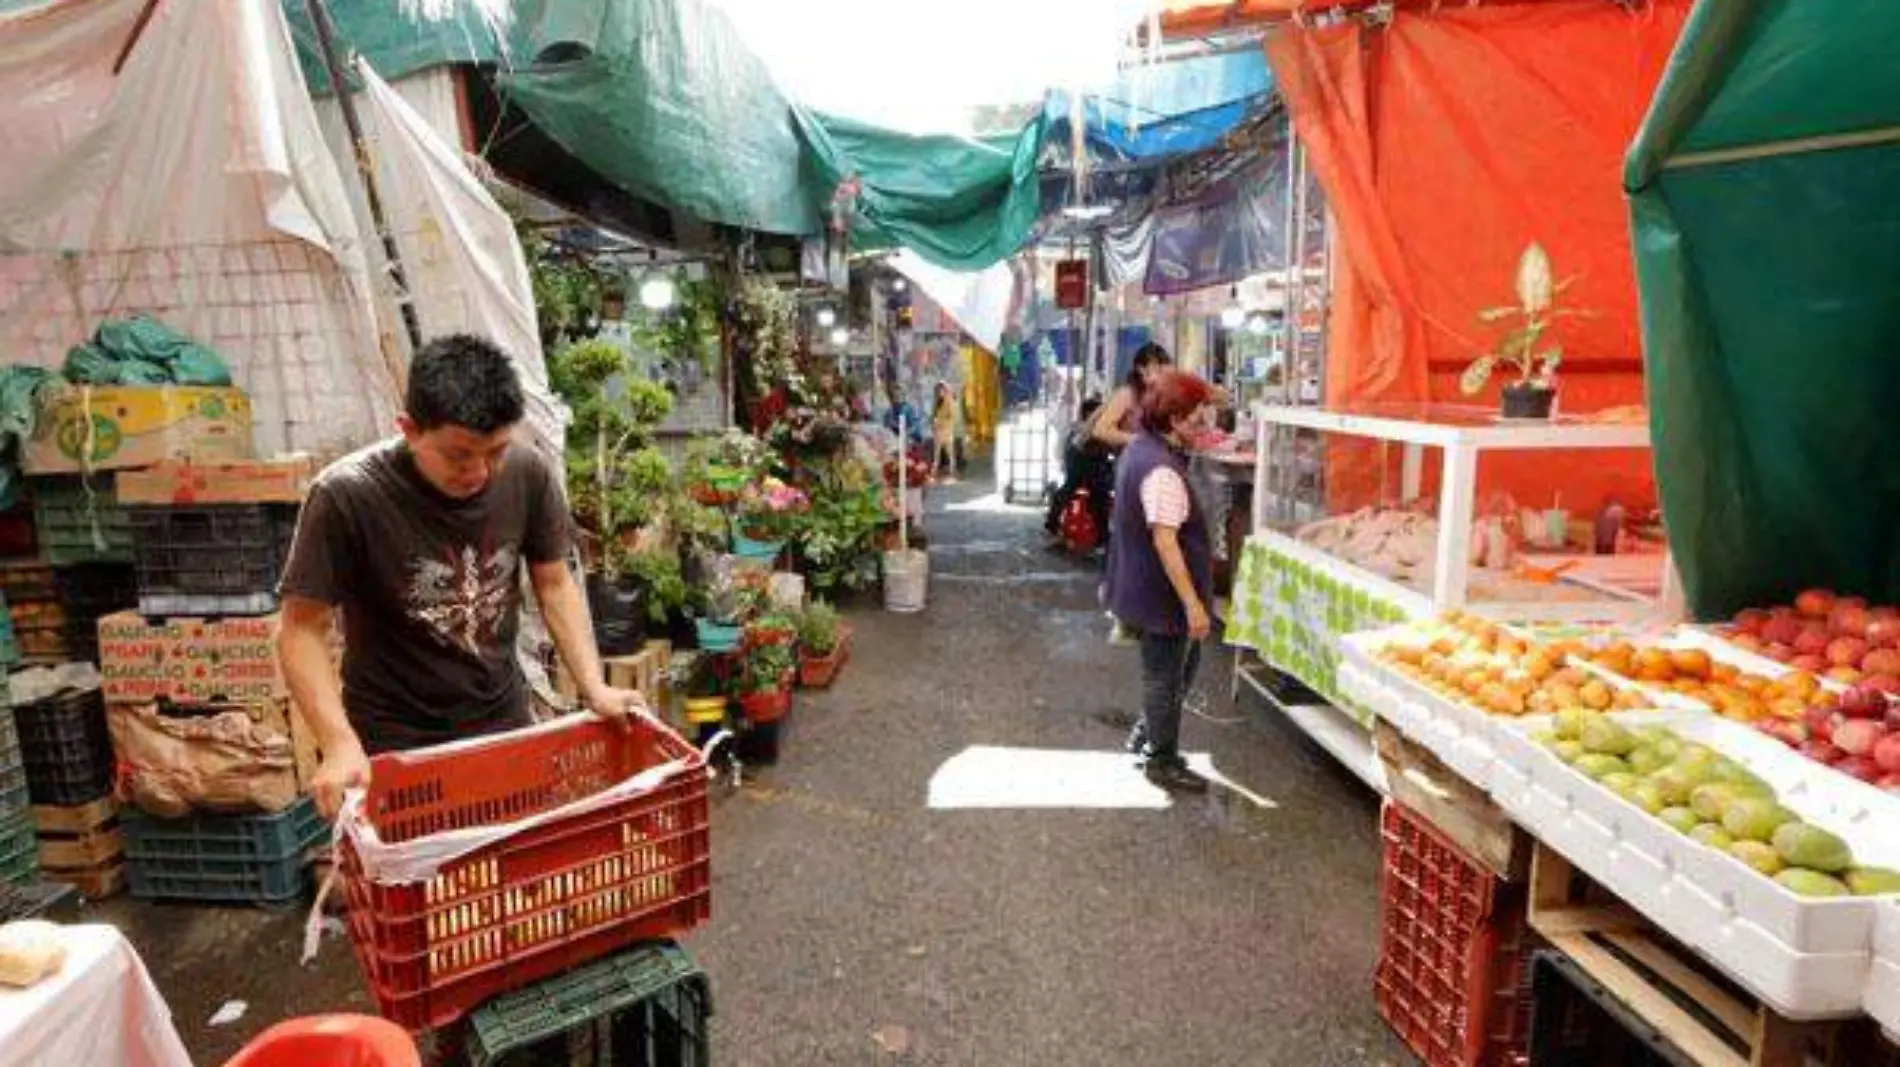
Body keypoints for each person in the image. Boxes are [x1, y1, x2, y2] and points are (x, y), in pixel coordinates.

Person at [278, 334, 650, 818]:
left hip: (502, 721)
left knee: (505, 876)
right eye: (459, 455)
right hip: (394, 740)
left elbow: (555, 584)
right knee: (416, 881)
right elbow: (302, 629)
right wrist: (338, 741)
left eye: (494, 451)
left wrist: (594, 687)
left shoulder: (526, 474)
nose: (480, 471)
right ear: (409, 429)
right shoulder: (348, 495)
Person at [1104, 370, 1219, 792]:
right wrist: (1192, 604)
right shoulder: (1162, 470)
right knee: (1166, 676)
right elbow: (1166, 542)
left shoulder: (1140, 448)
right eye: (1197, 418)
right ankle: (1161, 759)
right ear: (1173, 420)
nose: (1203, 426)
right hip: (1161, 594)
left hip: (1139, 583)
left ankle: (1147, 735)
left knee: (1170, 671)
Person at [1044, 395, 1111, 547]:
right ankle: (1102, 535)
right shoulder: (1085, 428)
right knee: (1098, 494)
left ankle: (1053, 522)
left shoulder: (1082, 427)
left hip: (1083, 465)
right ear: (1089, 414)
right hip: (1081, 464)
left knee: (1089, 491)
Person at [1090, 342, 1174, 452]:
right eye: (1158, 370)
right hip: (1132, 461)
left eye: (1164, 371)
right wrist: (1138, 440)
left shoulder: (1163, 396)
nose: (1162, 376)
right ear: (1141, 370)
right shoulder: (1127, 395)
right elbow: (1100, 430)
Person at [930, 380, 960, 478]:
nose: (940, 393)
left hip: (946, 430)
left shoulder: (949, 402)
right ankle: (935, 472)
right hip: (938, 431)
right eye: (938, 391)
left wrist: (941, 422)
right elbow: (933, 416)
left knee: (949, 452)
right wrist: (934, 424)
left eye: (942, 390)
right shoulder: (937, 403)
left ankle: (952, 471)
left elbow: (952, 417)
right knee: (937, 453)